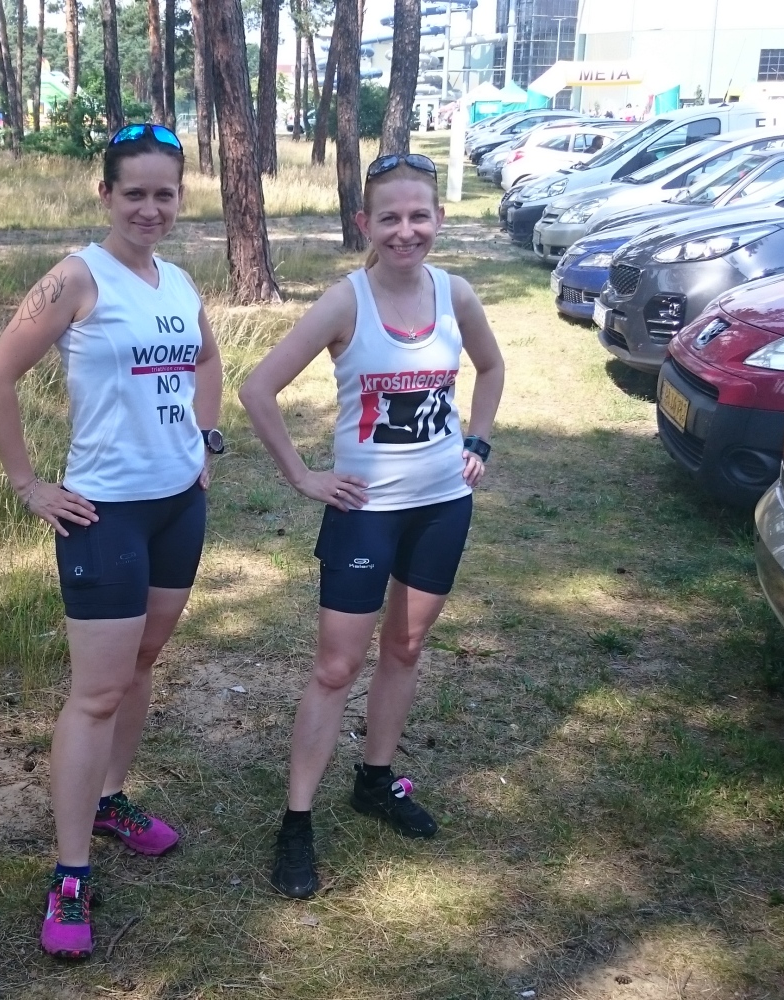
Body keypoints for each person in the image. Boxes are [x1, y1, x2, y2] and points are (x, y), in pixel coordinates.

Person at [0, 123, 223, 958]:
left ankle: (112, 800)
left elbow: (205, 361)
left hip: (177, 508)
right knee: (95, 692)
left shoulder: (178, 280)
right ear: (106, 195)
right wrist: (28, 484)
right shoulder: (75, 278)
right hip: (103, 515)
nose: (150, 208)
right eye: (135, 193)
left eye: (165, 194)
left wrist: (206, 441)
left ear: (180, 198)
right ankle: (71, 872)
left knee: (142, 665)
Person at [238, 153, 505, 900]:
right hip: (364, 514)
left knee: (407, 647)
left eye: (419, 216)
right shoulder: (344, 302)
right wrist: (304, 476)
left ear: (439, 219)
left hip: (442, 505)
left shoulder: (456, 294)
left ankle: (375, 780)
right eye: (389, 217)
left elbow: (491, 369)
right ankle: (297, 820)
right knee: (335, 668)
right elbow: (257, 389)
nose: (405, 230)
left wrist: (479, 442)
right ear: (365, 223)